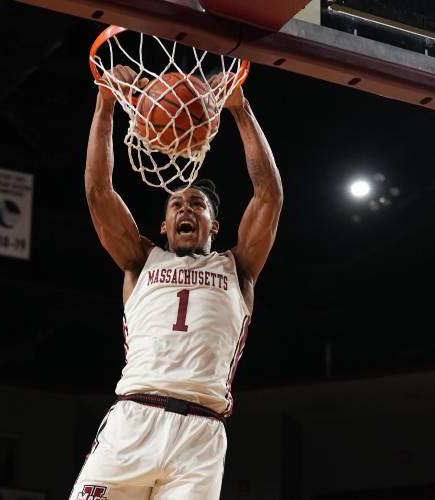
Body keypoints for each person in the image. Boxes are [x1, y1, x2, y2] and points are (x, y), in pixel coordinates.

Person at [71, 65, 283, 500]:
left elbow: (269, 196)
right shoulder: (140, 259)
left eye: (197, 204)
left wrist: (240, 111)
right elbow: (98, 191)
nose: (186, 209)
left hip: (200, 434)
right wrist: (105, 102)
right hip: (134, 419)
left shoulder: (238, 269)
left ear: (214, 224)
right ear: (164, 227)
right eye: (176, 204)